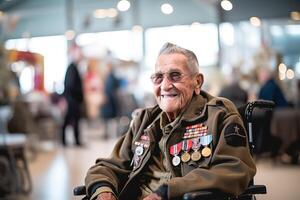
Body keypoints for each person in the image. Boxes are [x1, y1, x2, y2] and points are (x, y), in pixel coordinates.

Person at [85, 43, 256, 200]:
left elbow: (235, 169)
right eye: (158, 77)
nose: (165, 86)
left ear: (197, 82)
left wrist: (168, 191)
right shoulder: (144, 121)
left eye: (175, 76)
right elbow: (108, 166)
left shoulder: (219, 115)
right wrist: (103, 190)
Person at [61, 44, 84, 146]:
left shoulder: (74, 67)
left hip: (72, 99)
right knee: (70, 120)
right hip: (72, 100)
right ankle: (67, 141)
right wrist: (77, 95)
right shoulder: (72, 68)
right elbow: (70, 85)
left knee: (72, 121)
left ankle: (70, 141)